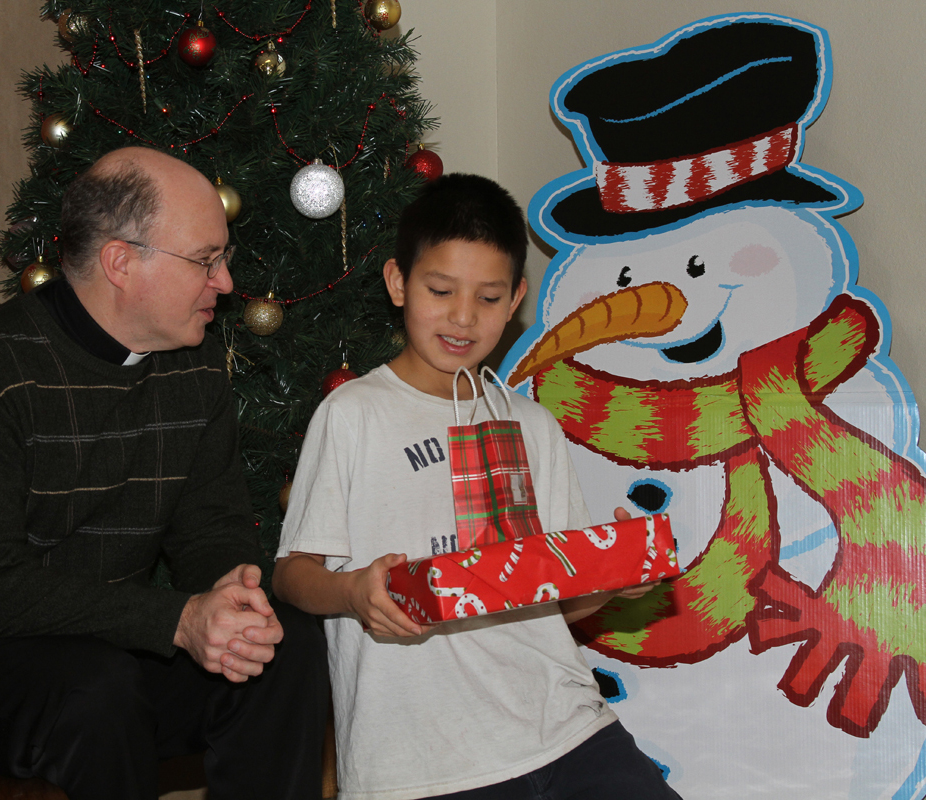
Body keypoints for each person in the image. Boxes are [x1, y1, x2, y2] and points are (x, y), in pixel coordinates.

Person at [0, 147, 328, 800]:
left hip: (101, 644)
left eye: (224, 258)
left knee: (283, 642)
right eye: (204, 260)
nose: (224, 283)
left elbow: (208, 525)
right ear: (120, 263)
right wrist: (179, 620)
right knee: (96, 690)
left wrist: (233, 595)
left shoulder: (192, 362)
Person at [273, 173, 680, 800]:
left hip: (565, 727)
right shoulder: (354, 414)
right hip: (422, 763)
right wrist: (355, 592)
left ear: (516, 298)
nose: (463, 318)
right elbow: (293, 573)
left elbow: (562, 601)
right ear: (397, 283)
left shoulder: (533, 425)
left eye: (489, 298)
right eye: (441, 290)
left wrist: (614, 576)